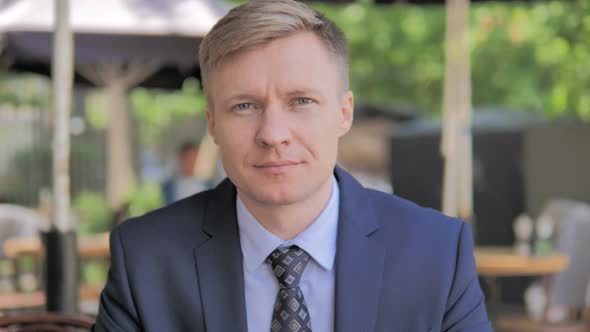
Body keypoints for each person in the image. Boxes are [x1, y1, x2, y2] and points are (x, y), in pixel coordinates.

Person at [92, 1, 491, 331]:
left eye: (301, 101)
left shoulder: (437, 254)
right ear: (212, 123)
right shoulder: (145, 259)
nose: (273, 134)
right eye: (244, 106)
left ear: (343, 112)